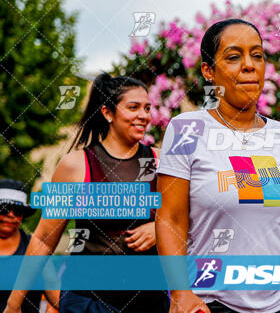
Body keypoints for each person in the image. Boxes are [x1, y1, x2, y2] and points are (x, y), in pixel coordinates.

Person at [156, 19, 280, 313]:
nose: (249, 65)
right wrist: (180, 293)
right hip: (213, 303)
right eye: (234, 57)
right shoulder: (187, 129)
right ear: (208, 71)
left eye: (258, 55)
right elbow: (170, 219)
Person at [4, 73, 169, 313]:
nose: (143, 116)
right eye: (133, 108)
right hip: (89, 301)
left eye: (147, 108)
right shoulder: (76, 165)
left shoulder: (160, 161)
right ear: (108, 113)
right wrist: (14, 303)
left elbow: (184, 218)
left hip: (148, 301)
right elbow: (43, 238)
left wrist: (158, 227)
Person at [0, 179, 59, 313]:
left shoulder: (35, 247)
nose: (10, 215)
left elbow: (54, 291)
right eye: (4, 210)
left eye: (17, 211)